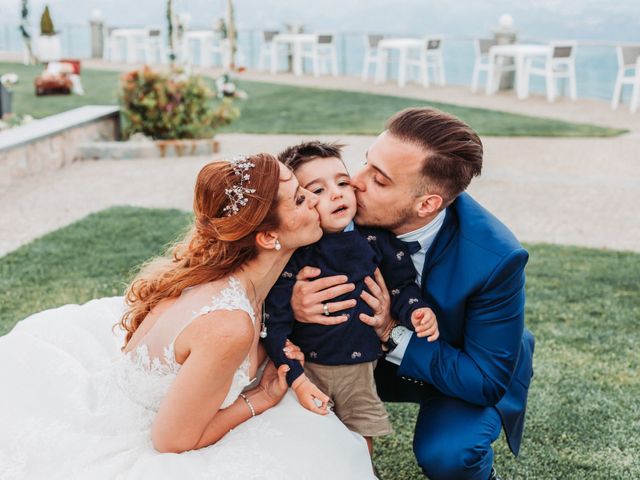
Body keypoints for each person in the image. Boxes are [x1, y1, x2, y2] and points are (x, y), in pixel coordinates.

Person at [0, 154, 376, 479]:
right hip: (147, 437)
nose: (315, 200)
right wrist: (258, 399)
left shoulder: (237, 278)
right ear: (266, 237)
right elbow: (172, 442)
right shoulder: (229, 322)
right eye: (299, 198)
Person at [289, 108, 535, 480]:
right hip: (345, 354)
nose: (354, 182)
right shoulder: (331, 206)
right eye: (365, 163)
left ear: (427, 204)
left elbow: (483, 380)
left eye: (380, 180)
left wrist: (390, 330)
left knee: (449, 454)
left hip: (459, 363)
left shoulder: (496, 259)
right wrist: (293, 302)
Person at [262, 141, 439, 456]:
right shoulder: (298, 251)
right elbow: (273, 317)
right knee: (309, 436)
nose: (336, 193)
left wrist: (416, 310)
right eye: (316, 190)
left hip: (359, 367)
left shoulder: (375, 239)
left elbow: (402, 284)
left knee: (360, 434)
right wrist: (289, 359)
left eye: (343, 182)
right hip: (309, 363)